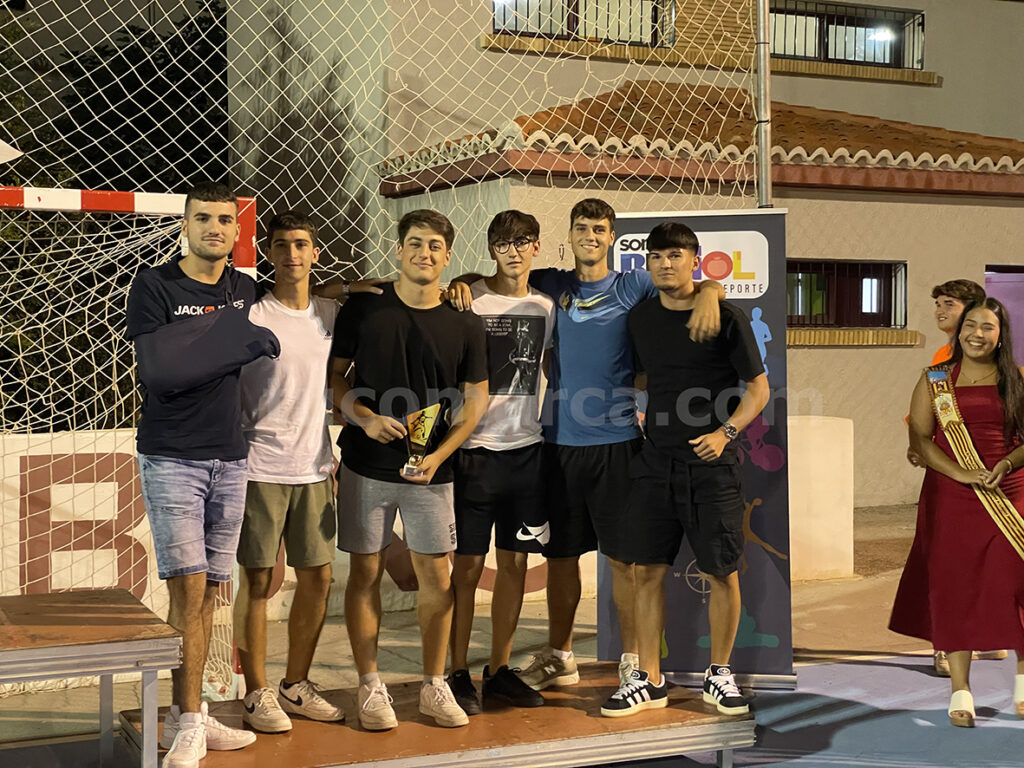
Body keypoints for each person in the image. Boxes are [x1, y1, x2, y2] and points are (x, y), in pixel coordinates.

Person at [450, 199, 723, 693]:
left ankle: (633, 665)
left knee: (623, 562)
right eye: (581, 227)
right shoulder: (553, 284)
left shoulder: (633, 283)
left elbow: (686, 284)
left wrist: (711, 292)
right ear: (570, 235)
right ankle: (561, 656)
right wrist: (460, 283)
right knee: (561, 559)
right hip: (556, 445)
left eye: (599, 228)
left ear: (612, 236)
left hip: (617, 444)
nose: (590, 236)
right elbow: (499, 276)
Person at [126, 181, 274, 768]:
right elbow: (161, 372)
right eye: (203, 218)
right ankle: (187, 722)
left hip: (231, 457)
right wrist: (238, 340)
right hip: (172, 457)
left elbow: (309, 295)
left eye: (224, 219)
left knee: (213, 590)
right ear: (185, 225)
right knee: (187, 590)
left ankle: (190, 713)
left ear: (237, 231)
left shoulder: (245, 288)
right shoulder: (155, 285)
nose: (215, 227)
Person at [598, 222, 768, 717]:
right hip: (655, 462)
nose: (665, 264)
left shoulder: (726, 317)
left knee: (722, 572)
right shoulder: (640, 318)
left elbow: (758, 388)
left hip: (712, 467)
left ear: (694, 260)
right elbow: (645, 375)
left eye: (675, 255)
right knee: (646, 572)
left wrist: (725, 433)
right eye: (656, 256)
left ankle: (720, 674)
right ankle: (650, 679)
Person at [330, 209, 489, 730]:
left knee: (437, 578)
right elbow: (335, 379)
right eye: (415, 243)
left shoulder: (465, 320)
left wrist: (440, 456)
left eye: (435, 246)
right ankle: (370, 684)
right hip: (365, 465)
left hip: (431, 471)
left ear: (448, 256)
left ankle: (433, 684)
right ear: (399, 250)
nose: (425, 253)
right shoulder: (364, 308)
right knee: (365, 573)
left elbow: (476, 399)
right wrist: (365, 418)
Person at [236, 211, 384, 731]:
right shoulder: (251, 313)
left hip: (315, 466)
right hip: (258, 466)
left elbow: (386, 292)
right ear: (269, 253)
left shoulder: (331, 314)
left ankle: (295, 684)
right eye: (281, 245)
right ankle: (256, 692)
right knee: (258, 581)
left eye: (301, 245)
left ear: (315, 253)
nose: (292, 254)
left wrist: (344, 287)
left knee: (318, 578)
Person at [891, 298, 1024, 727]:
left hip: (1011, 490)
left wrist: (1007, 464)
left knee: (1016, 581)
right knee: (956, 585)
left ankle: (1023, 680)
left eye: (988, 327)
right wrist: (961, 473)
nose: (977, 334)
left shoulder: (1017, 379)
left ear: (1001, 335)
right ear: (959, 329)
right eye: (971, 325)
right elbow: (920, 438)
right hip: (952, 493)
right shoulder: (936, 380)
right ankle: (961, 689)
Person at [446, 211, 553, 714]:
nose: (514, 251)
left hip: (526, 453)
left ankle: (500, 670)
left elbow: (551, 366)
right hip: (473, 454)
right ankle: (456, 672)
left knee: (515, 565)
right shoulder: (467, 298)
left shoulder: (546, 307)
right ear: (491, 249)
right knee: (467, 569)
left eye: (523, 242)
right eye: (504, 243)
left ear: (536, 247)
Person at [905, 279, 1007, 675]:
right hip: (951, 478)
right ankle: (946, 644)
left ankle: (985, 633)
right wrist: (921, 446)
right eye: (939, 304)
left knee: (992, 560)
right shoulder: (940, 364)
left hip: (995, 478)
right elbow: (923, 422)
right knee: (946, 563)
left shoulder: (1002, 367)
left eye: (949, 304)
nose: (940, 312)